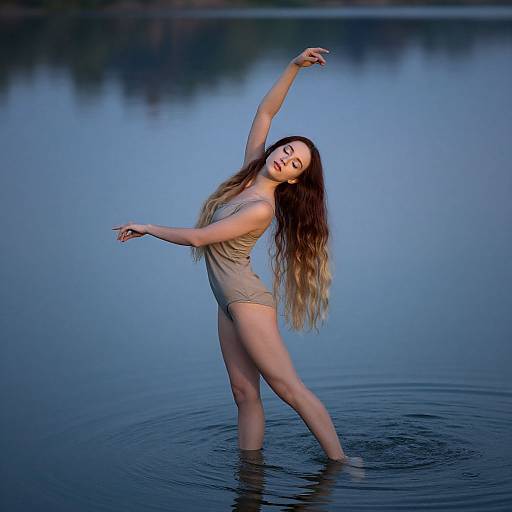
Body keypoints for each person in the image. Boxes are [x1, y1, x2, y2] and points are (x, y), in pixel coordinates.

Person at [113, 47, 351, 463]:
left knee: (288, 389)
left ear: (295, 179)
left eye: (295, 162)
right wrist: (294, 67)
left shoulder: (260, 207)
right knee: (243, 394)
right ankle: (250, 477)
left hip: (246, 301)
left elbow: (200, 239)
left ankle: (342, 463)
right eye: (286, 150)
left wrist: (149, 228)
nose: (285, 159)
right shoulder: (248, 176)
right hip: (226, 303)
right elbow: (264, 113)